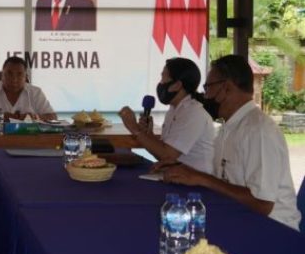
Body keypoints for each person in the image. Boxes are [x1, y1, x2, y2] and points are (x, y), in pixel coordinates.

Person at [157, 55, 301, 231]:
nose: (205, 95)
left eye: (208, 87)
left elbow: (262, 204)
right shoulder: (229, 128)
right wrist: (184, 170)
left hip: (273, 231)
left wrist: (203, 179)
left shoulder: (258, 131)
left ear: (226, 87)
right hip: (238, 219)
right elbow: (224, 183)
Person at [118, 58, 215, 174]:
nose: (160, 83)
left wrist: (134, 129)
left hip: (196, 182)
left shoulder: (193, 113)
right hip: (176, 176)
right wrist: (148, 135)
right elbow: (162, 152)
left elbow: (167, 156)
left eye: (163, 77)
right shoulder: (175, 109)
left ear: (177, 85)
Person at [0, 56, 57, 121]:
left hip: (28, 137)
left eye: (19, 74)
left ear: (25, 77)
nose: (14, 79)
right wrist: (0, 117)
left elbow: (53, 117)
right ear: (2, 75)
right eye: (9, 73)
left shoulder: (36, 92)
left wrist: (35, 117)